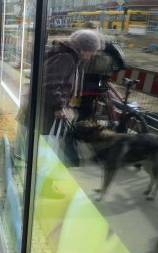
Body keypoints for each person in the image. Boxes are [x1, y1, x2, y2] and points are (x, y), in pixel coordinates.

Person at [42, 29, 102, 166]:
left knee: (45, 141)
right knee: (46, 143)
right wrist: (58, 106)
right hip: (47, 108)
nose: (90, 57)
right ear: (84, 49)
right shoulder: (67, 58)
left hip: (44, 106)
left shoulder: (64, 54)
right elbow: (51, 84)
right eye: (91, 52)